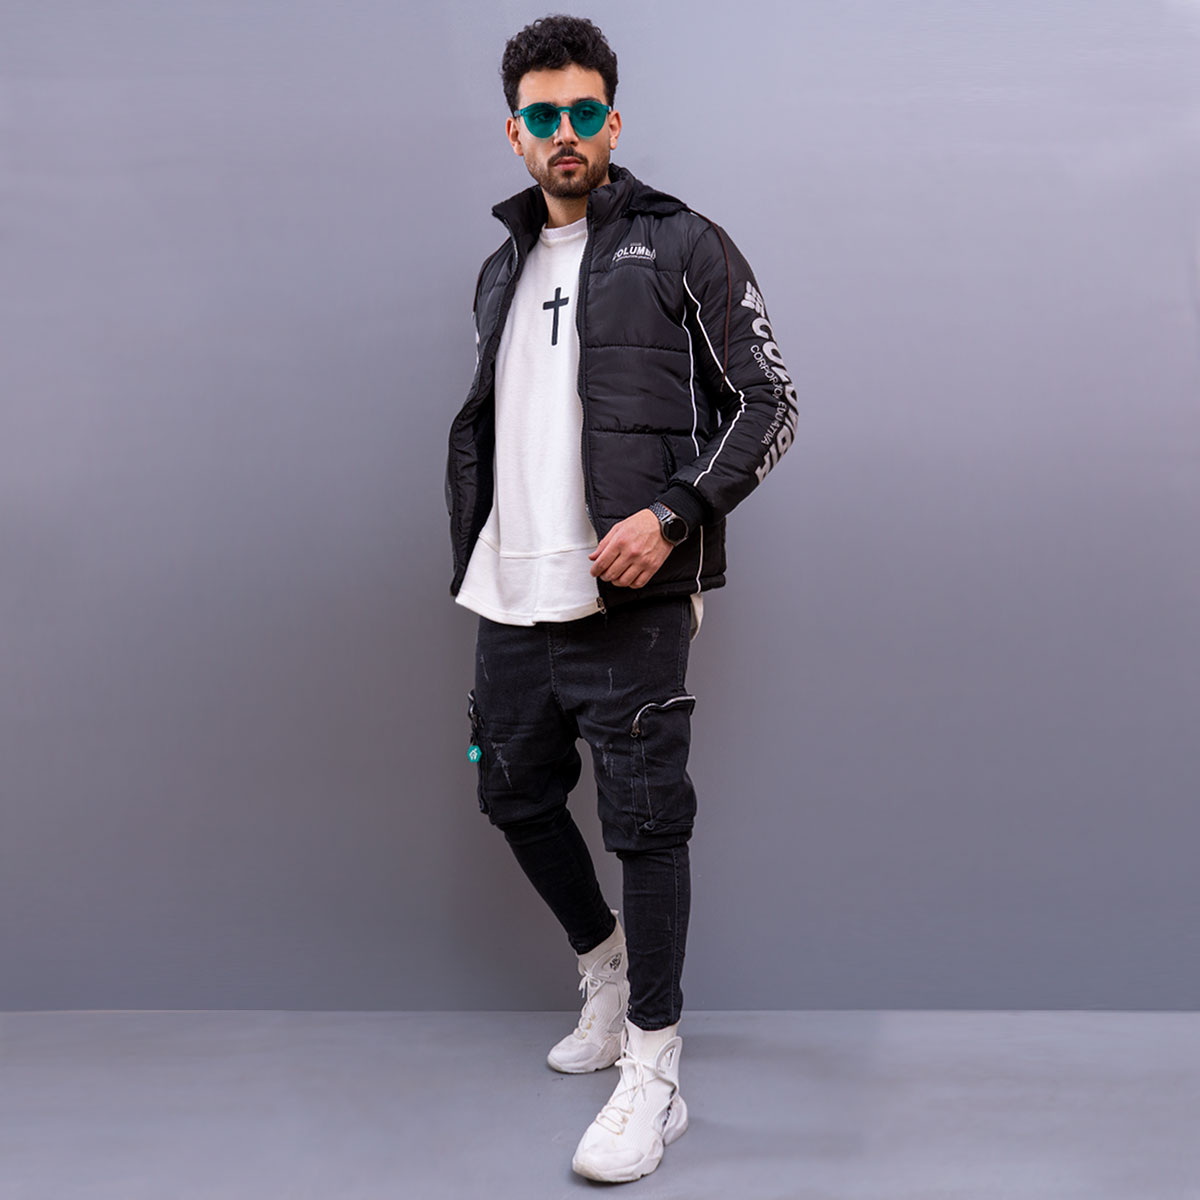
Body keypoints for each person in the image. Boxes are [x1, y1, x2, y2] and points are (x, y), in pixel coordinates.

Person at [445, 14, 796, 1184]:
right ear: (515, 132)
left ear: (612, 121)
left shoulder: (684, 244)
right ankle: (601, 967)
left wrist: (674, 515)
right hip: (511, 591)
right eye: (542, 115)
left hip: (628, 600)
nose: (565, 132)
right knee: (511, 793)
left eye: (584, 112)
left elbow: (771, 401)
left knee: (647, 827)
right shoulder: (498, 271)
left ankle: (656, 1068)